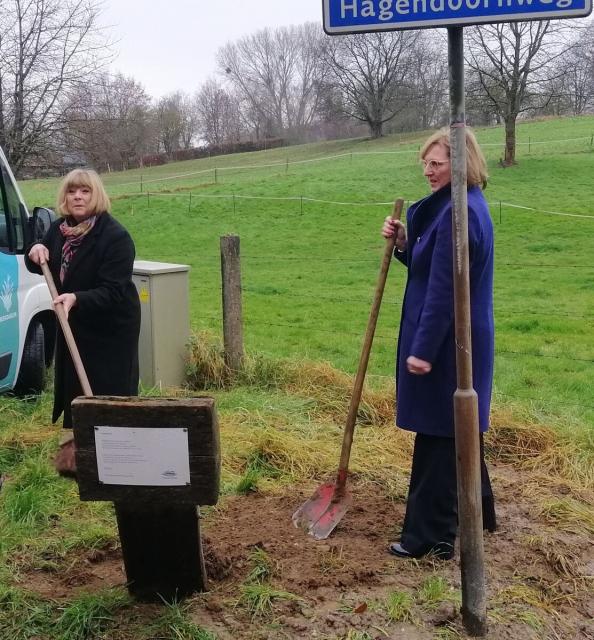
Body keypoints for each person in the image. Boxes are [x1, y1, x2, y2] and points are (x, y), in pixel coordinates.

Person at [382, 127, 496, 560]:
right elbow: (433, 265)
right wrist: (404, 244)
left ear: (461, 164)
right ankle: (480, 512)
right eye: (425, 163)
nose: (428, 172)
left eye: (438, 164)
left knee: (439, 435)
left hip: (448, 343)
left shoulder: (458, 215)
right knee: (460, 429)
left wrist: (423, 351)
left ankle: (430, 537)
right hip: (459, 338)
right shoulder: (462, 206)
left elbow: (444, 292)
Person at [26, 169, 140, 476]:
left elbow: (114, 291)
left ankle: (117, 454)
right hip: (74, 320)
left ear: (96, 196)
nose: (78, 197)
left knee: (107, 387)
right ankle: (81, 453)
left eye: (85, 192)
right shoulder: (60, 230)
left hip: (110, 327)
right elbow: (42, 260)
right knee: (76, 382)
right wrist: (34, 251)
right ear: (64, 197)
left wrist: (77, 298)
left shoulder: (115, 237)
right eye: (72, 192)